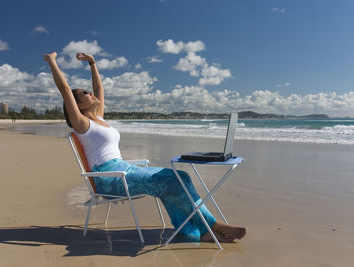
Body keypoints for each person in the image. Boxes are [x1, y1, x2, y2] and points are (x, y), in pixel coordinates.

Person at [43, 52, 246, 242]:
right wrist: (52, 61)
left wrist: (92, 62)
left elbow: (100, 89)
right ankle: (213, 225)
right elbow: (65, 90)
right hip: (108, 178)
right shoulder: (82, 124)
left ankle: (192, 232)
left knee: (180, 177)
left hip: (123, 168)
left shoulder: (98, 118)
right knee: (168, 182)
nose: (92, 93)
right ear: (77, 105)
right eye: (85, 93)